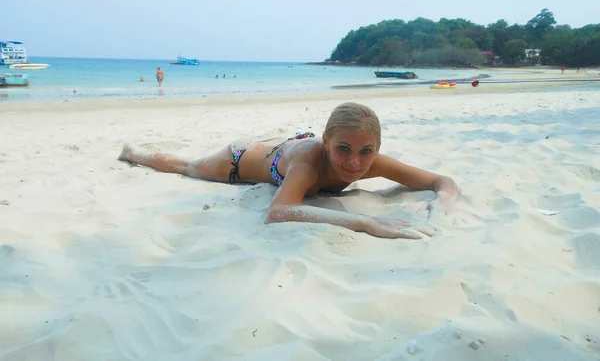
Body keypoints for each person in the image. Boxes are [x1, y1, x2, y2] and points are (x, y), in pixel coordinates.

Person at [118, 102, 459, 239]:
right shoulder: (310, 163)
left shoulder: (371, 161)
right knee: (189, 167)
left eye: (366, 151)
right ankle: (134, 152)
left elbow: (442, 181)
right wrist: (366, 222)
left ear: (376, 148)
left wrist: (441, 202)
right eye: (343, 149)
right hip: (240, 159)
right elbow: (278, 212)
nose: (355, 162)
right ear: (327, 142)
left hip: (283, 147)